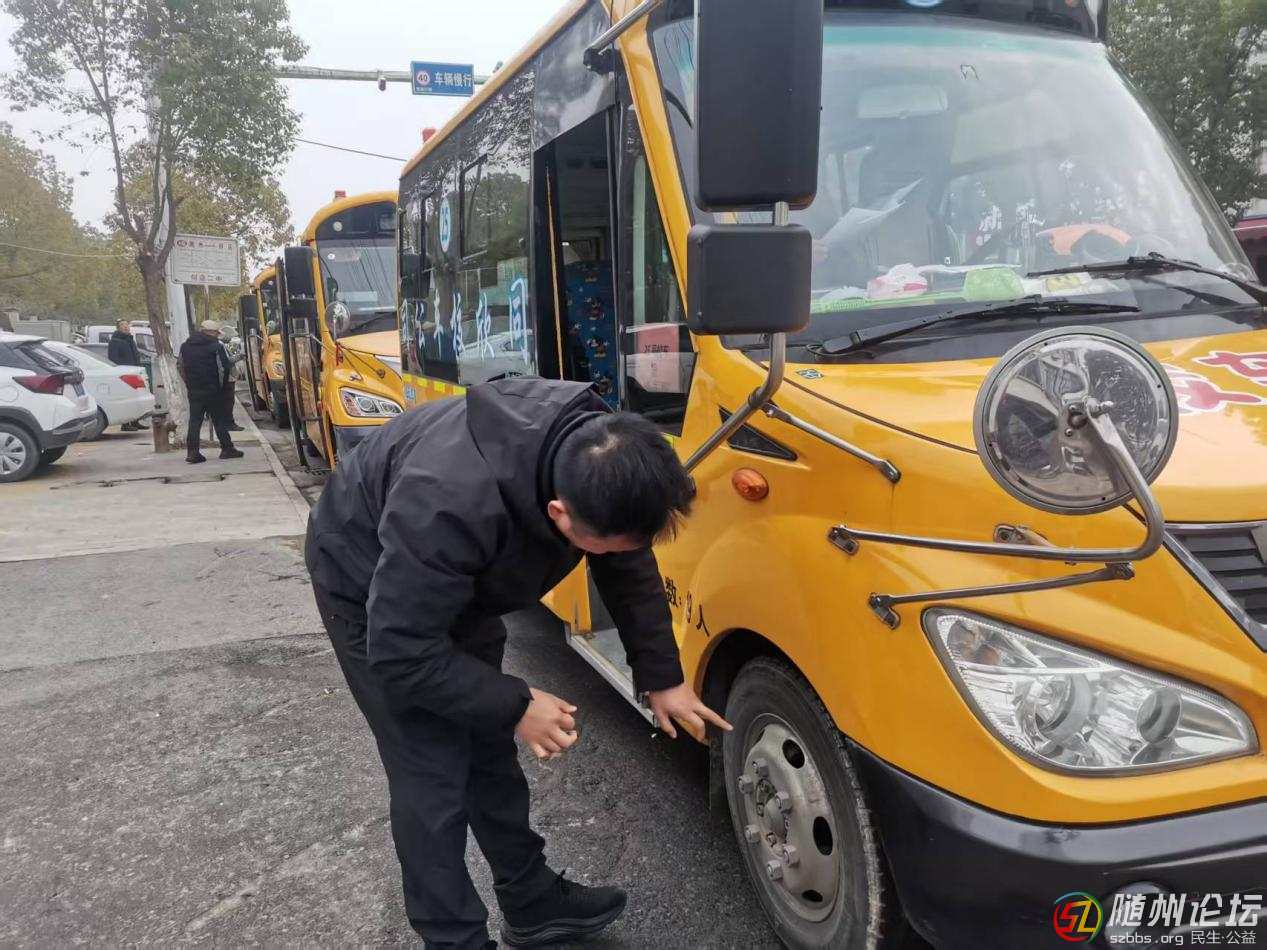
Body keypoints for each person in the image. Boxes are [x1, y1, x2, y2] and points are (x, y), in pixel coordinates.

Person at [305, 377, 730, 950]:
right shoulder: (448, 501)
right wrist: (517, 703)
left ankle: (531, 902)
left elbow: (627, 560)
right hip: (366, 581)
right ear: (557, 513)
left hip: (457, 581)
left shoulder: (601, 452)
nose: (615, 555)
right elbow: (403, 652)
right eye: (599, 546)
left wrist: (663, 679)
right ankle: (454, 941)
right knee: (430, 768)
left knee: (488, 750)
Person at [178, 320, 244, 464]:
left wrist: (189, 383)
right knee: (219, 419)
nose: (217, 336)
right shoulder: (216, 347)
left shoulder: (185, 346)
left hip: (194, 389)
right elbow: (223, 369)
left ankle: (193, 452)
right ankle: (227, 448)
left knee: (195, 420)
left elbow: (180, 366)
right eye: (216, 333)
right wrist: (222, 388)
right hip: (213, 389)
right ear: (212, 332)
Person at [107, 320, 145, 431]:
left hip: (134, 371)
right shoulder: (115, 341)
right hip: (124, 374)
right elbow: (114, 359)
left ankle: (135, 421)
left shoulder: (129, 339)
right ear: (118, 328)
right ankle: (125, 423)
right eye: (123, 325)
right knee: (126, 398)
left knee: (135, 397)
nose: (126, 327)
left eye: (127, 325)